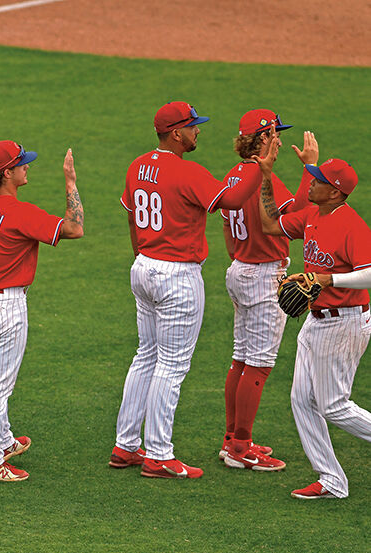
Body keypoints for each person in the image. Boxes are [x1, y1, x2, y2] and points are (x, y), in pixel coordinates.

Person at [112, 101, 263, 479]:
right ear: (176, 133)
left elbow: (132, 215)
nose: (199, 131)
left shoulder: (137, 166)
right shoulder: (186, 171)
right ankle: (159, 454)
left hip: (144, 266)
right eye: (193, 127)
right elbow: (229, 198)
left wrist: (143, 258)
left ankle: (126, 445)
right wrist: (257, 165)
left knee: (146, 354)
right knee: (171, 365)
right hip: (176, 274)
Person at [0, 141, 83, 481]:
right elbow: (74, 228)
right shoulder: (20, 212)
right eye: (22, 164)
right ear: (7, 173)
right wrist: (70, 182)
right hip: (5, 306)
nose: (28, 167)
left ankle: (2, 441)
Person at [256, 150, 371, 499]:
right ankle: (332, 481)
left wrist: (328, 280)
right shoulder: (312, 214)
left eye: (318, 179)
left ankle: (332, 480)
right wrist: (265, 176)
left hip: (345, 323)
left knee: (333, 405)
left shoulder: (351, 225)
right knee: (301, 400)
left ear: (335, 191)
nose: (312, 182)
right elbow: (270, 225)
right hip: (316, 320)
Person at [217, 110, 318, 471]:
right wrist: (310, 169)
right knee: (258, 365)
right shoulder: (264, 179)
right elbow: (301, 218)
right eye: (275, 135)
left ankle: (233, 439)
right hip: (262, 275)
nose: (278, 140)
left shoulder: (234, 175)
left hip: (239, 269)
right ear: (263, 138)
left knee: (241, 359)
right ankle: (240, 448)